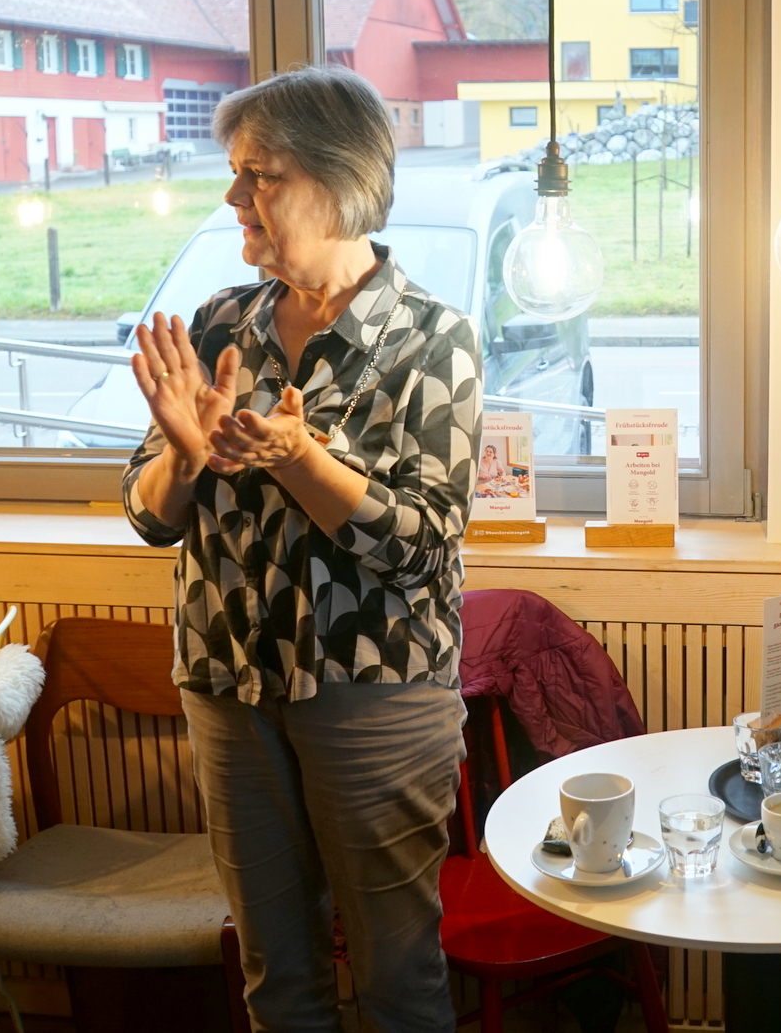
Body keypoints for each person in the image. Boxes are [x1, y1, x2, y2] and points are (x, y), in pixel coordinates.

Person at [122, 64, 481, 1033]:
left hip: (376, 695)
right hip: (228, 687)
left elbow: (424, 547)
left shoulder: (432, 340)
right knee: (276, 980)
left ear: (338, 181)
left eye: (260, 175)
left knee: (399, 982)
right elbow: (150, 515)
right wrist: (185, 457)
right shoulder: (218, 323)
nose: (234, 197)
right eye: (235, 173)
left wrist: (299, 459)